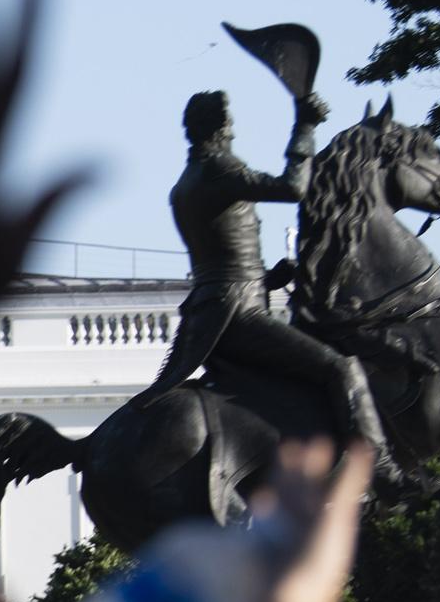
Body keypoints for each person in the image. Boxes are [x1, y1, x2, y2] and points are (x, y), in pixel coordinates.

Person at [135, 89, 401, 483]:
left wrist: (269, 279)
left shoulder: (185, 183)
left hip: (214, 308)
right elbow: (293, 187)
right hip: (239, 312)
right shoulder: (219, 168)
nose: (234, 132)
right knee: (341, 368)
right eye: (231, 124)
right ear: (222, 128)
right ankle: (380, 469)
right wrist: (305, 125)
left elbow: (219, 258)